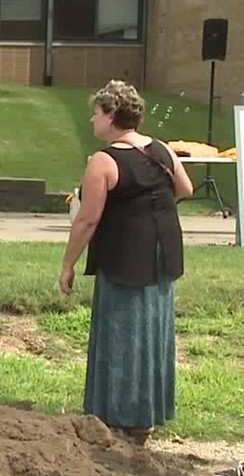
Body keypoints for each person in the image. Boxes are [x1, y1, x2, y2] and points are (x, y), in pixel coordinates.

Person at [58, 80, 192, 445]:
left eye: (96, 113)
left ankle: (118, 417)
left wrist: (68, 264)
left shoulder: (104, 160)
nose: (91, 120)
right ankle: (145, 417)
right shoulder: (161, 149)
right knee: (152, 333)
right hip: (162, 253)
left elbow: (87, 220)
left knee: (120, 335)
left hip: (124, 258)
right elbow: (185, 189)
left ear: (112, 116)